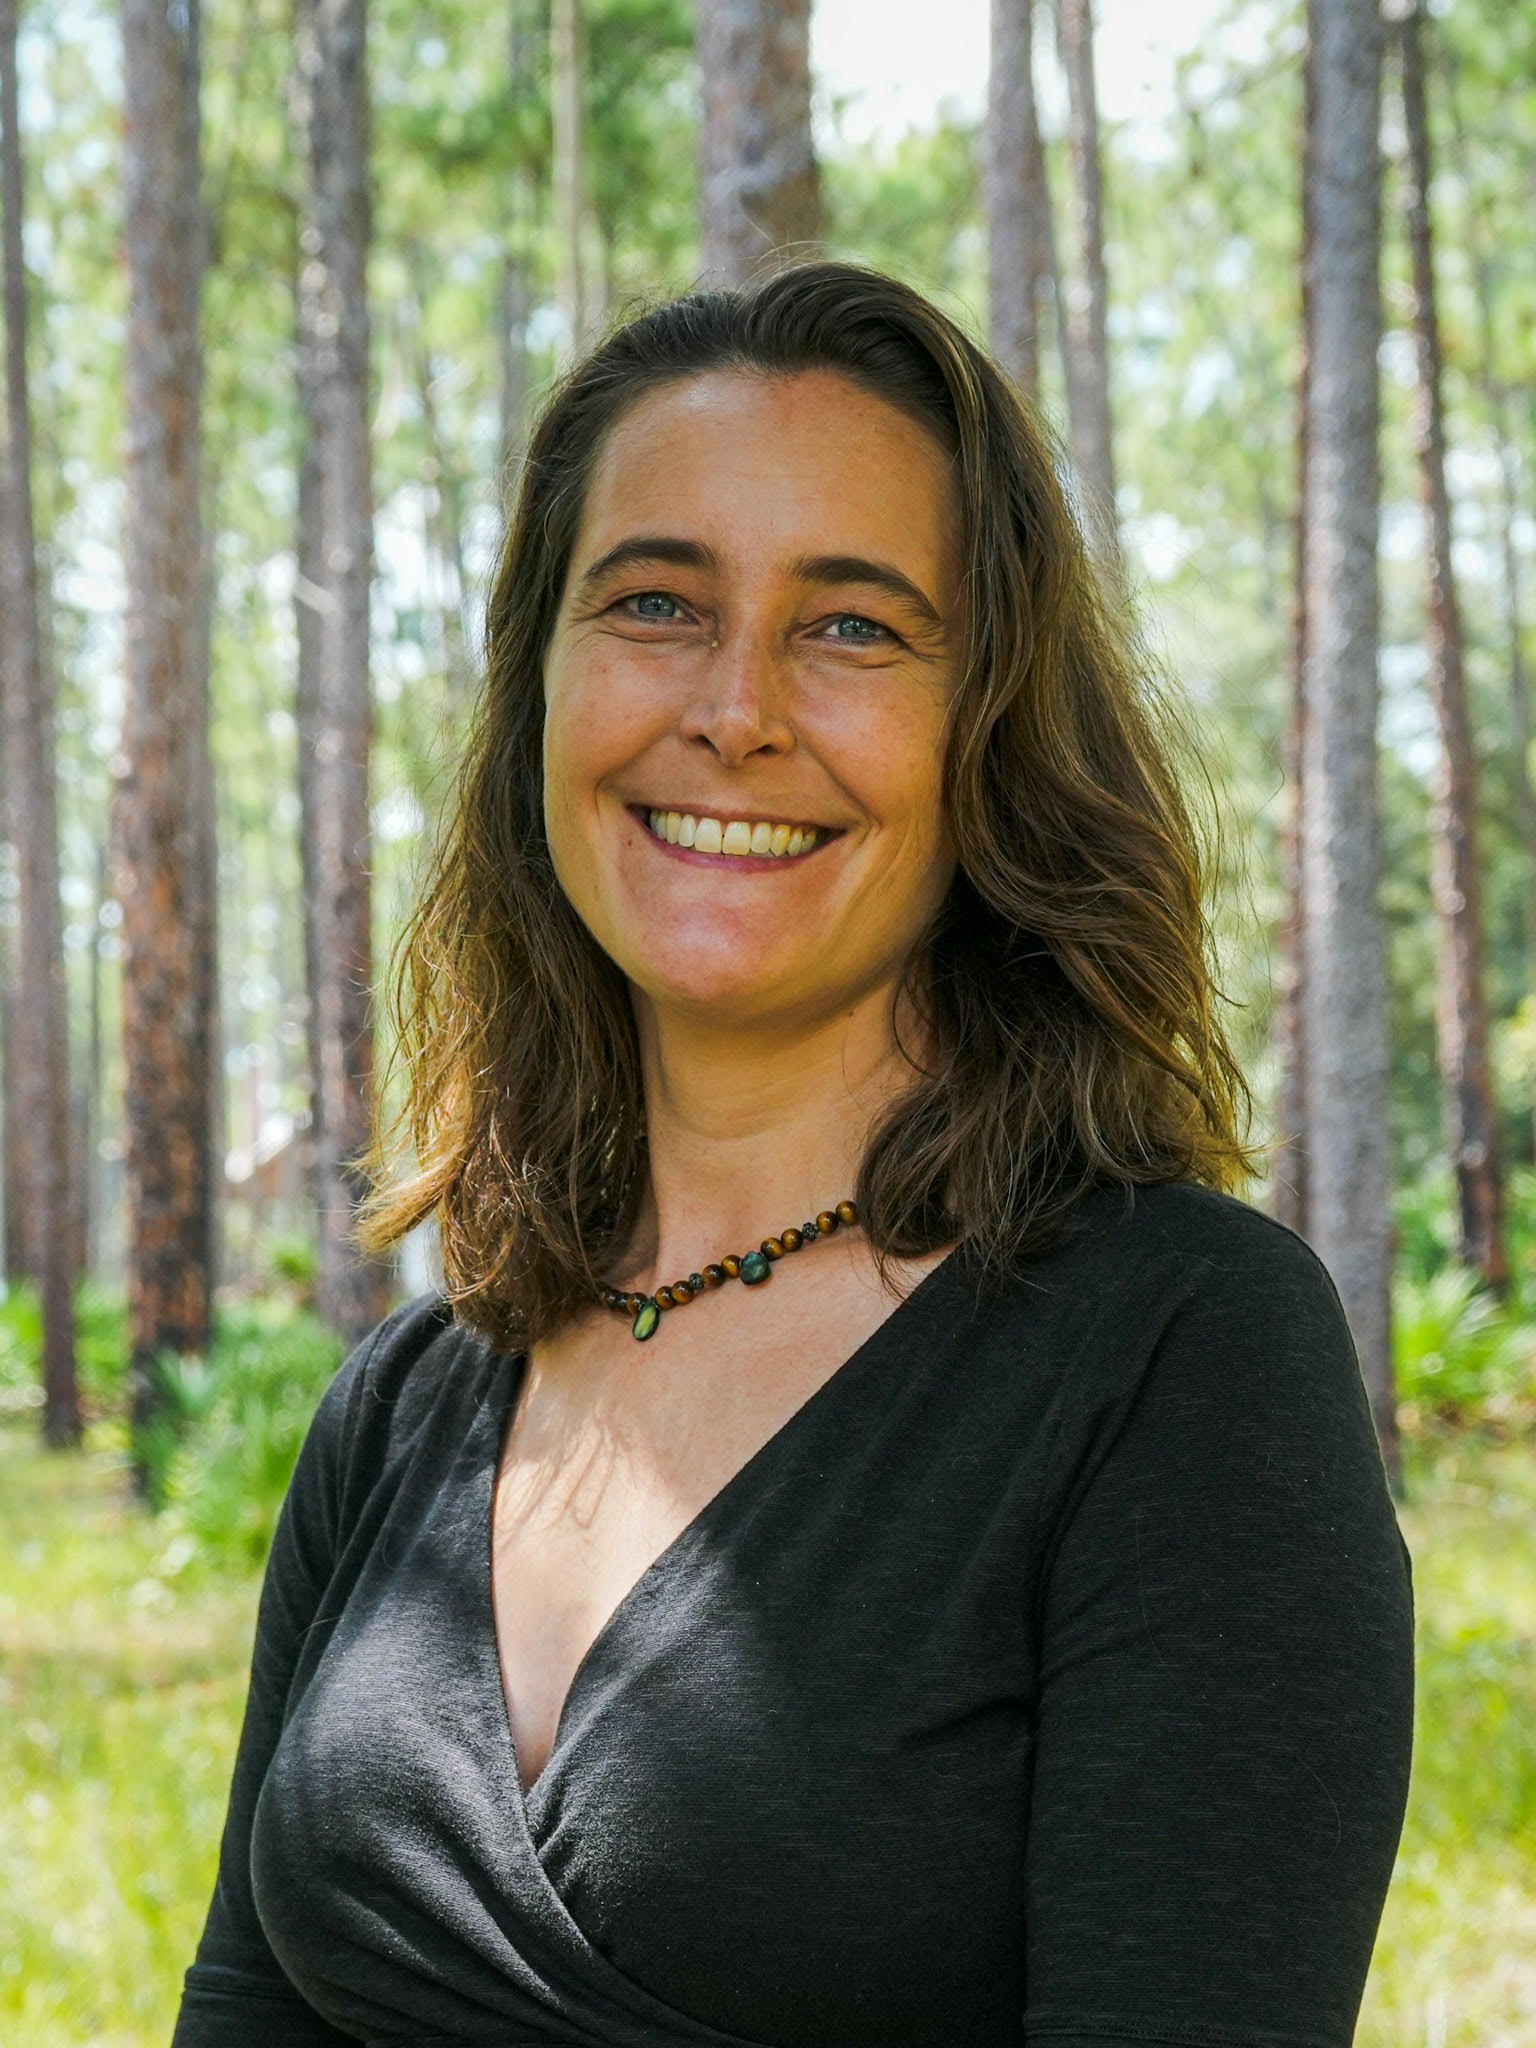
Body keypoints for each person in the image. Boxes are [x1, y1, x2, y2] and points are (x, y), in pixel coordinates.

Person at [172, 262, 1413, 2048]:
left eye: (852, 627)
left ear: (989, 731)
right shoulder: (401, 1405)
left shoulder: (1181, 1351)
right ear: (541, 690)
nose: (735, 707)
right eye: (656, 603)